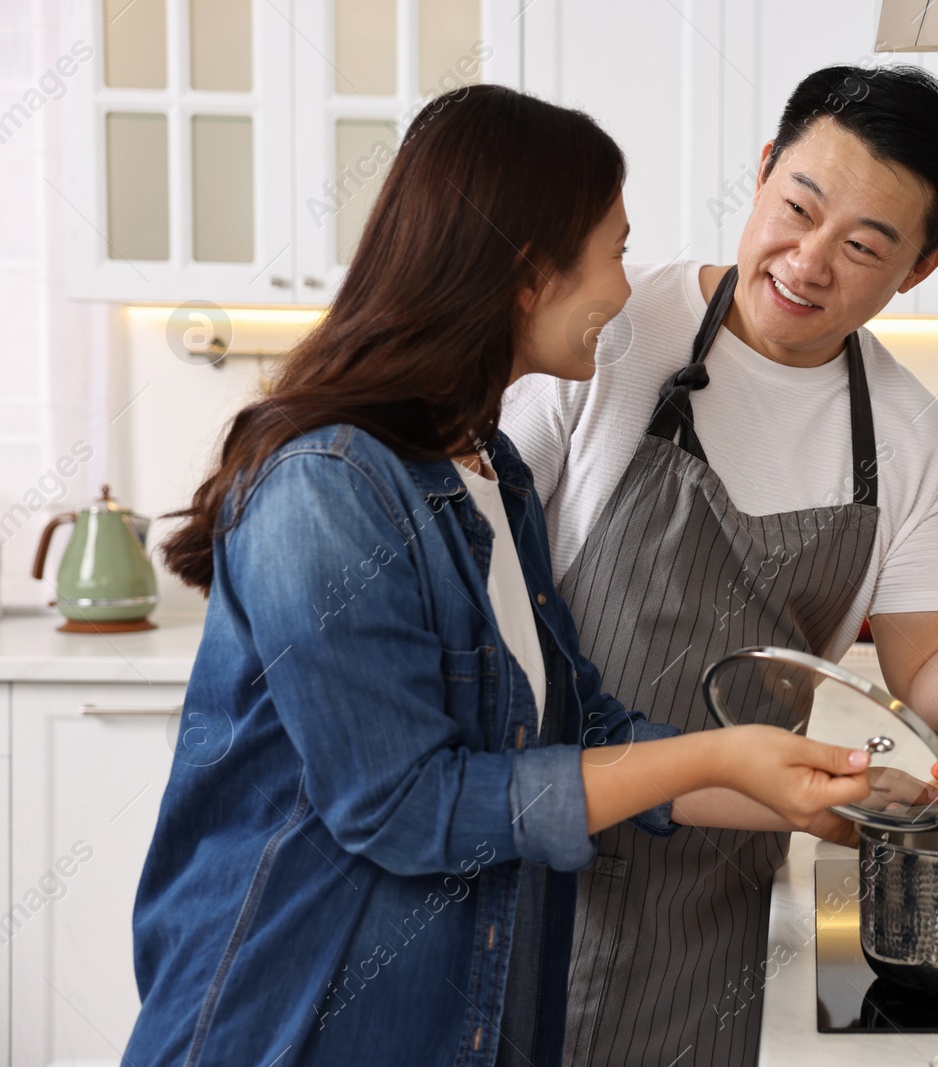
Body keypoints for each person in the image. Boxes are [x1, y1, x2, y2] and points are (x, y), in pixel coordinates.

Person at [123, 84, 872, 1067]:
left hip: (464, 1019)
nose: (618, 288)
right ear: (527, 273)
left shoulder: (488, 470)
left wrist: (791, 791)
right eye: (610, 250)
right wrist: (718, 759)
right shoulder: (328, 486)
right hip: (298, 1021)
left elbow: (581, 730)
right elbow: (404, 805)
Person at [500, 64, 938, 1066]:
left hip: (715, 883)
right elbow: (483, 583)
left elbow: (930, 669)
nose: (806, 262)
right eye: (797, 207)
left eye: (862, 246)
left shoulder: (910, 434)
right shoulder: (608, 336)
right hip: (533, 843)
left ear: (919, 270)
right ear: (762, 172)